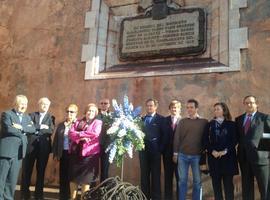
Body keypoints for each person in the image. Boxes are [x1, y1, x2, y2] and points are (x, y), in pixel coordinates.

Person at [0, 95, 36, 200]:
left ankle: (8, 198)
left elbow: (33, 129)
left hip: (19, 153)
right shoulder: (7, 114)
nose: (23, 106)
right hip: (6, 151)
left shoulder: (27, 117)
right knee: (1, 178)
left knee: (12, 180)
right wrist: (24, 131)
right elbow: (8, 129)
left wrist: (21, 127)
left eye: (25, 104)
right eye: (21, 103)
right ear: (15, 104)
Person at [235, 95, 270, 200]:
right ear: (244, 105)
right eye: (246, 103)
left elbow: (268, 136)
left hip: (261, 159)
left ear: (256, 104)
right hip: (244, 158)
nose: (249, 104)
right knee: (246, 188)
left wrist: (263, 154)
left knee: (265, 188)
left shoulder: (264, 118)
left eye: (251, 102)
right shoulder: (239, 119)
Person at [21, 97, 55, 200]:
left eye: (47, 105)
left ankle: (38, 194)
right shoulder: (31, 115)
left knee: (41, 171)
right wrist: (41, 126)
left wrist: (35, 129)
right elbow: (28, 128)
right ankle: (24, 193)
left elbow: (50, 130)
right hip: (30, 148)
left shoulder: (51, 117)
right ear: (39, 105)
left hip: (44, 149)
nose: (45, 106)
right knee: (27, 170)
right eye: (43, 104)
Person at [173, 99, 208, 200]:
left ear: (196, 108)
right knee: (182, 181)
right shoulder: (182, 121)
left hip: (197, 156)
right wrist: (175, 154)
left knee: (197, 181)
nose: (189, 109)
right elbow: (177, 138)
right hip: (182, 156)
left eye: (191, 107)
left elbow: (207, 138)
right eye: (187, 107)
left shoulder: (204, 122)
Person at [203, 102, 238, 200]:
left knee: (228, 187)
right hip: (214, 159)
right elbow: (205, 140)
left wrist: (225, 151)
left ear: (224, 111)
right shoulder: (209, 125)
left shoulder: (232, 124)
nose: (215, 111)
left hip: (228, 159)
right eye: (214, 109)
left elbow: (234, 140)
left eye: (218, 109)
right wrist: (212, 151)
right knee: (216, 186)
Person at [68, 103, 102, 199]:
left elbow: (95, 133)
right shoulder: (78, 122)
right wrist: (81, 137)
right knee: (73, 178)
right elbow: (71, 133)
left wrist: (79, 134)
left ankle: (84, 198)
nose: (90, 112)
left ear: (95, 113)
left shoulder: (97, 122)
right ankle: (72, 198)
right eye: (89, 110)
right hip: (76, 153)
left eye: (93, 111)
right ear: (85, 111)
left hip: (89, 155)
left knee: (85, 180)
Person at [139, 98, 164, 200]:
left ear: (155, 107)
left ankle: (156, 198)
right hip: (143, 153)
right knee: (144, 177)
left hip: (155, 153)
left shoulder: (161, 119)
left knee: (156, 177)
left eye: (151, 105)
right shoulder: (142, 119)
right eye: (148, 105)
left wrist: (160, 150)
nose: (149, 107)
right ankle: (144, 197)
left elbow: (164, 135)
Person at [52, 104, 78, 200]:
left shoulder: (78, 124)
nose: (69, 113)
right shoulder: (61, 125)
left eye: (71, 112)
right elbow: (56, 140)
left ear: (76, 113)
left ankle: (72, 197)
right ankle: (63, 196)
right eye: (67, 111)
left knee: (71, 177)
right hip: (63, 153)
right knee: (63, 176)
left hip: (74, 155)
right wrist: (55, 154)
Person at [162, 100, 181, 200]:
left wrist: (178, 152)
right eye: (172, 107)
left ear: (179, 109)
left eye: (176, 107)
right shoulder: (164, 120)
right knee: (168, 178)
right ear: (169, 109)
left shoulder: (183, 121)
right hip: (167, 154)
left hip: (180, 154)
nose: (174, 109)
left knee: (179, 179)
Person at [97, 98, 111, 182]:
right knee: (93, 168)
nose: (103, 105)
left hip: (107, 146)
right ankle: (92, 190)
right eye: (101, 103)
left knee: (105, 169)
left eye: (105, 103)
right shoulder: (95, 116)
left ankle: (103, 189)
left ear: (109, 105)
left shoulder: (113, 116)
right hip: (96, 145)